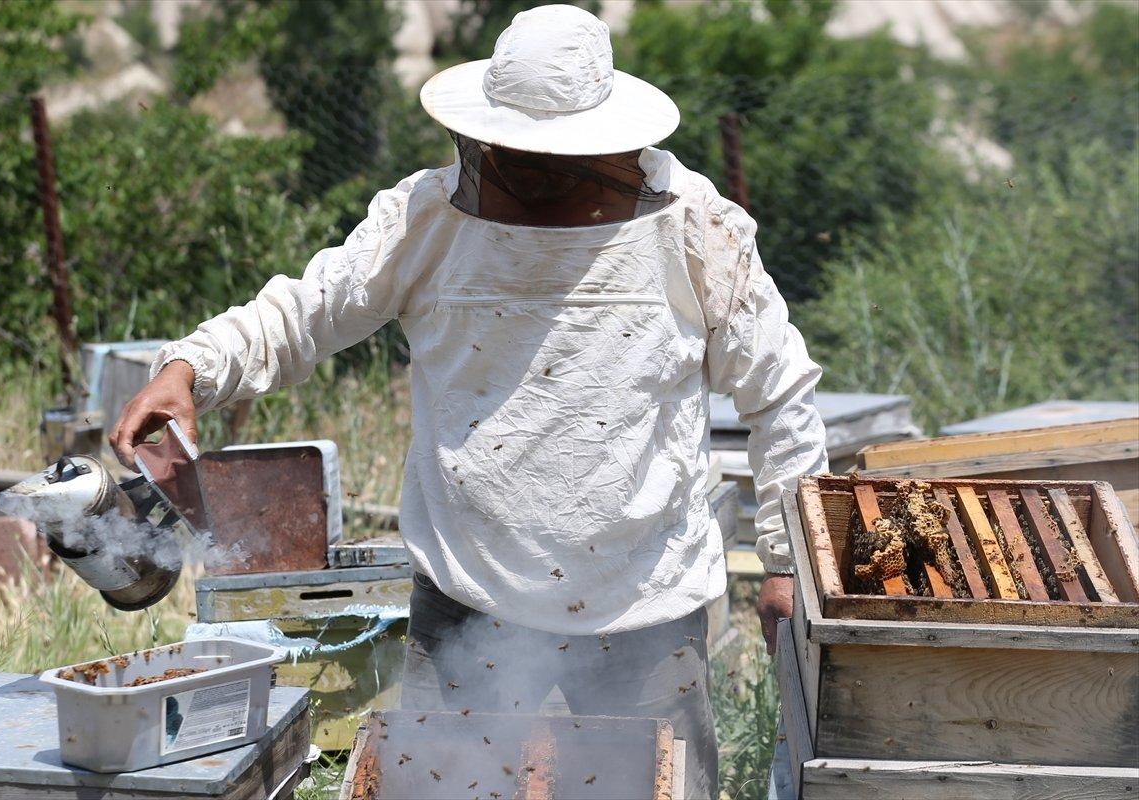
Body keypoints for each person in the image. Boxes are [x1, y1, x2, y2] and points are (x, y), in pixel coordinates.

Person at [110, 6, 827, 797]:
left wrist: (787, 561)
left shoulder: (694, 227)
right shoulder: (427, 218)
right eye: (520, 154)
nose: (535, 172)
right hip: (467, 602)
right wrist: (193, 366)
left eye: (554, 158)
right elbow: (304, 311)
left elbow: (781, 392)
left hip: (642, 610)